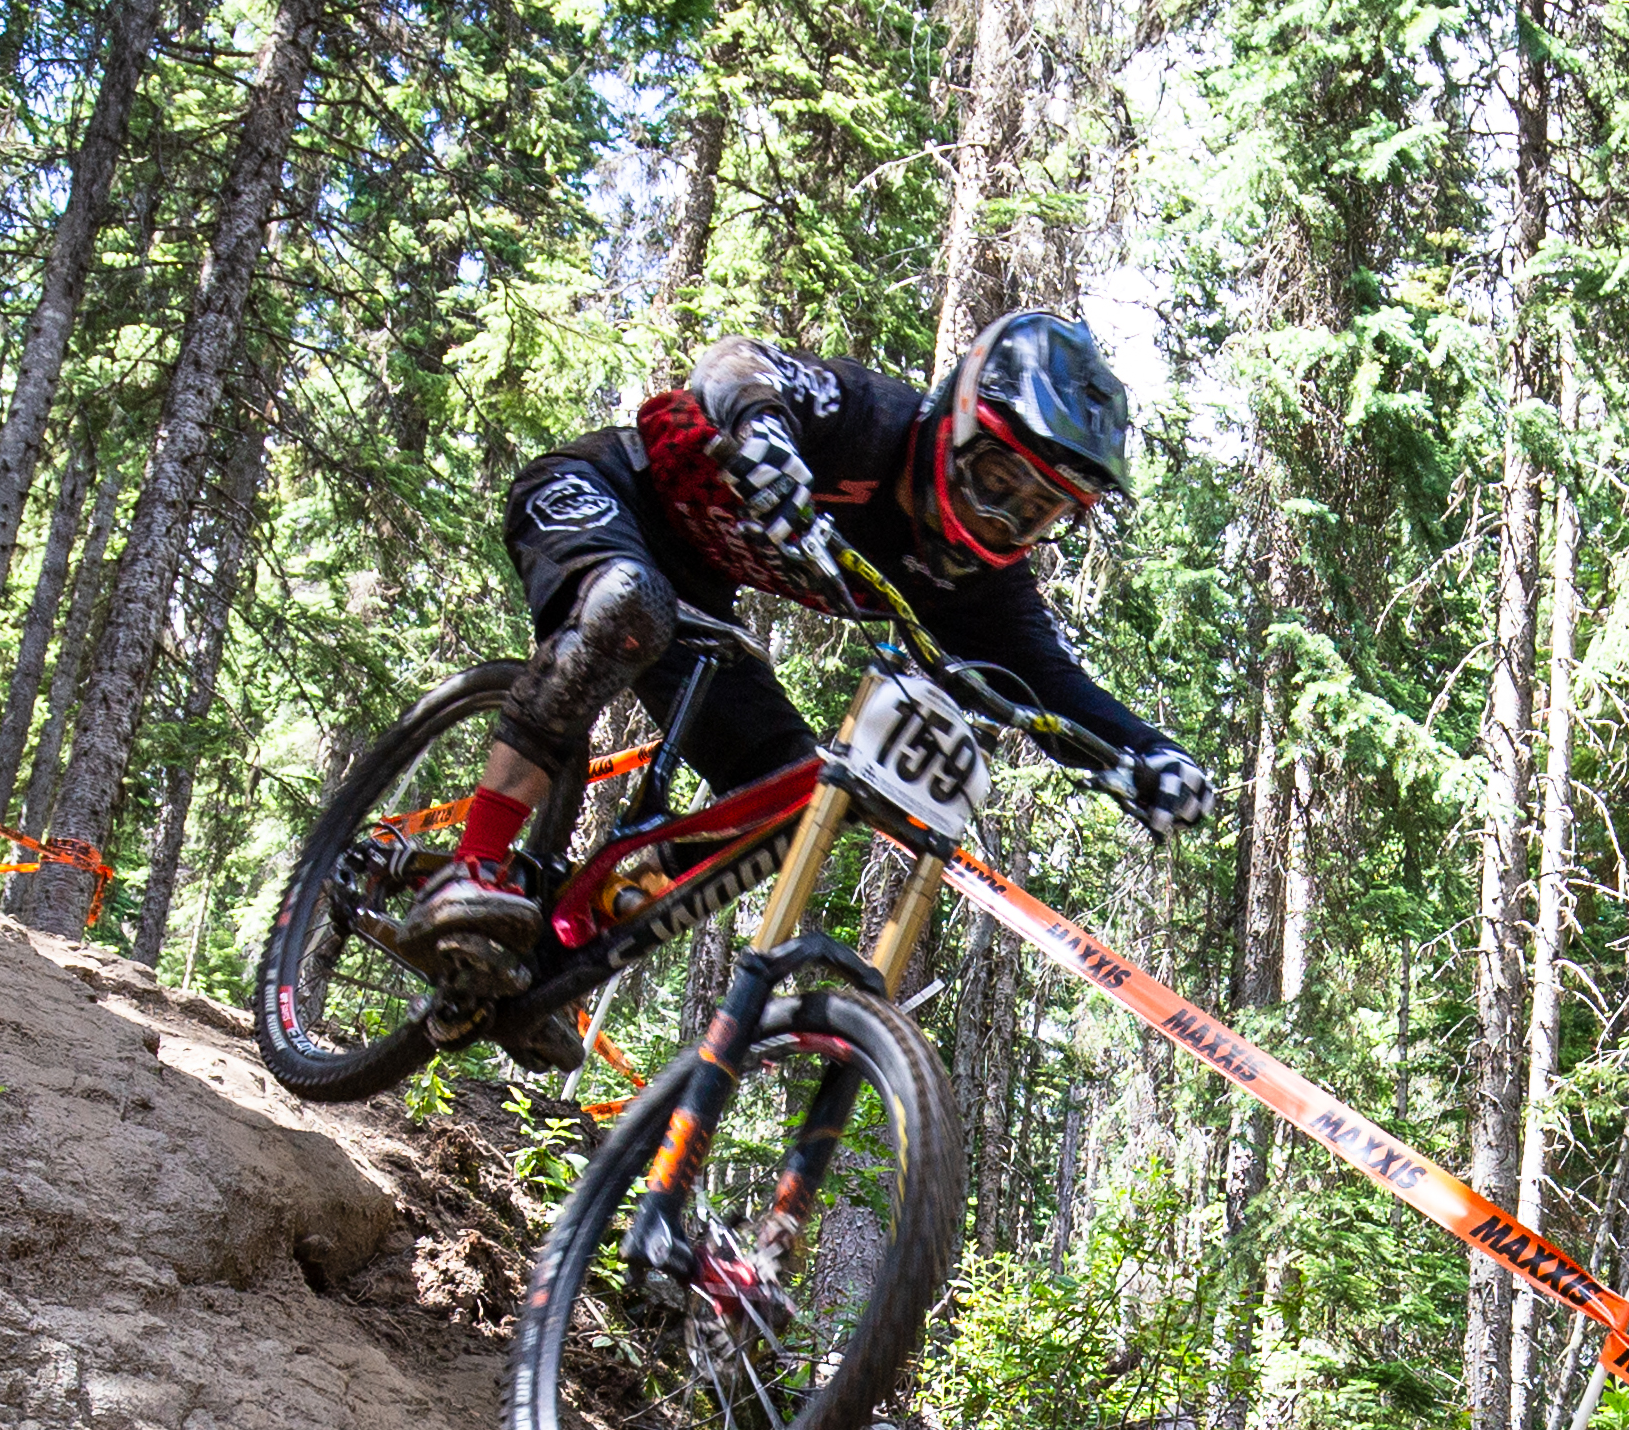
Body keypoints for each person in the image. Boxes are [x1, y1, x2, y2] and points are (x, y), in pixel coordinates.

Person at [414, 308, 1215, 1002]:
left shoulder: (980, 586)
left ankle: (551, 955)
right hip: (601, 494)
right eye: (998, 479)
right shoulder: (871, 419)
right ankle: (473, 863)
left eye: (1036, 513)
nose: (1000, 518)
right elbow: (738, 364)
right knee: (629, 601)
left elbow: (1051, 683)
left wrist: (1146, 757)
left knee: (782, 799)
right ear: (957, 427)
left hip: (696, 602)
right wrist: (765, 435)